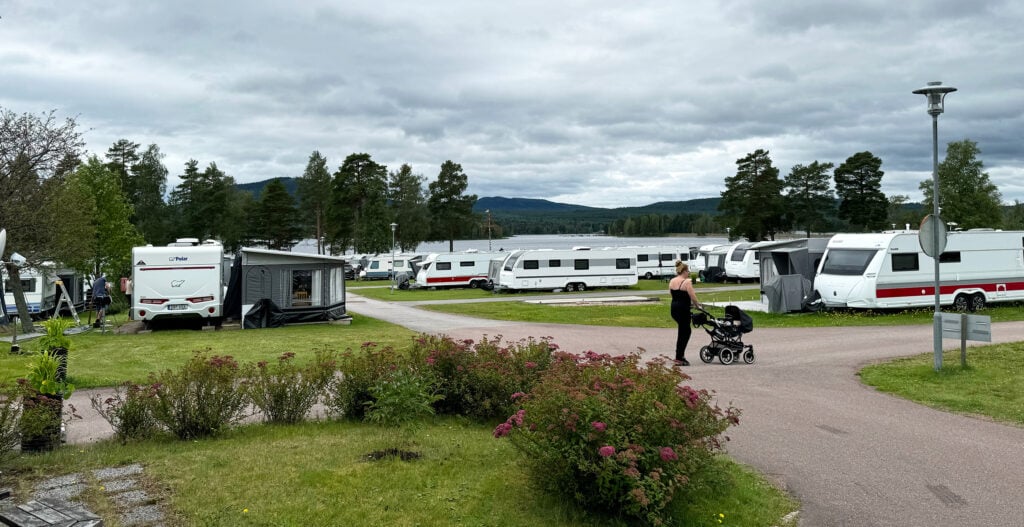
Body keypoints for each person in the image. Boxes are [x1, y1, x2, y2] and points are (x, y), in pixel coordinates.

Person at [668, 260, 702, 366]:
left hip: (674, 308)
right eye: (688, 271)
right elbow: (693, 296)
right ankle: (679, 357)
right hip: (683, 310)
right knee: (686, 332)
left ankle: (679, 355)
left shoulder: (672, 281)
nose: (689, 273)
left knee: (682, 331)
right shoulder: (687, 282)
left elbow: (672, 294)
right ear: (684, 271)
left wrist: (684, 302)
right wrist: (697, 306)